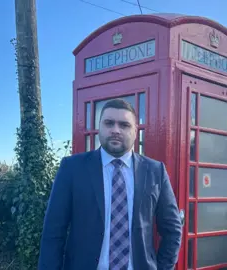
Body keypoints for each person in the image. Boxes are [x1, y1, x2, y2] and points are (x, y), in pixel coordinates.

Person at [38, 98, 182, 270]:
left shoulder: (155, 171)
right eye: (109, 123)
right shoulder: (72, 168)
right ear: (100, 128)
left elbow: (172, 230)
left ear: (136, 131)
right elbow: (53, 232)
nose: (115, 130)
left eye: (124, 125)